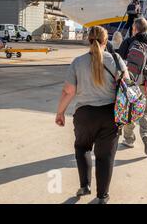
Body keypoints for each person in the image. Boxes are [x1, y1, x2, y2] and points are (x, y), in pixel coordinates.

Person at [55, 26, 129, 204]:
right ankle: (102, 196)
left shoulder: (77, 62)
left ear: (89, 40)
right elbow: (127, 83)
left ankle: (84, 185)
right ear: (106, 41)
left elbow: (69, 91)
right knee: (105, 157)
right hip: (110, 115)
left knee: (82, 148)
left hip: (84, 115)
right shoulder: (116, 59)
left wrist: (60, 112)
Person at [118, 17, 147, 155]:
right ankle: (146, 134)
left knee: (131, 110)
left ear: (134, 29)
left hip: (132, 83)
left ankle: (129, 139)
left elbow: (118, 61)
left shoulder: (129, 41)